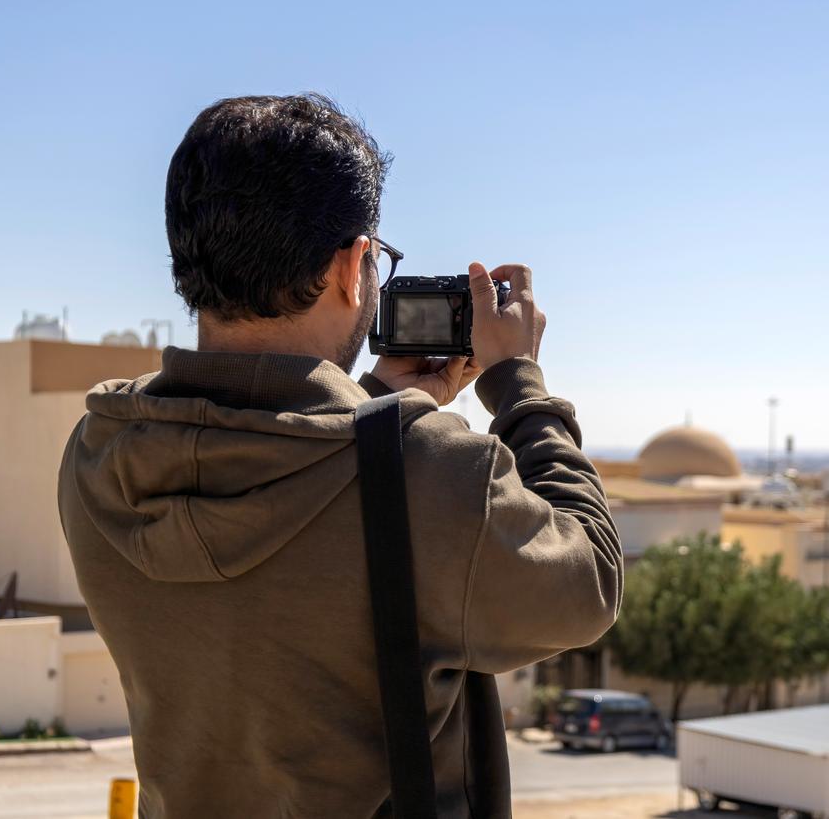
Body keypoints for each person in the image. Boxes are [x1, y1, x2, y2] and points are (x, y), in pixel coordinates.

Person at [58, 93, 622, 817]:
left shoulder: (98, 453)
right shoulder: (436, 476)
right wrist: (522, 387)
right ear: (354, 267)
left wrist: (372, 411)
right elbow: (591, 585)